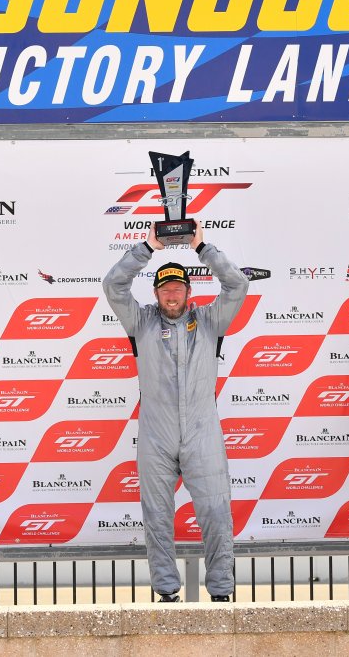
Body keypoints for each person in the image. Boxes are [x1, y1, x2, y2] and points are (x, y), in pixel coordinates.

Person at [103, 220, 249, 602]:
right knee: (156, 517)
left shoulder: (210, 321)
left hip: (203, 433)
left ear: (189, 291)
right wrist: (147, 248)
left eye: (178, 288)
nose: (172, 294)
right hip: (156, 435)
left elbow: (237, 285)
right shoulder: (141, 322)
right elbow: (113, 285)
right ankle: (166, 593)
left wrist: (202, 248)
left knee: (216, 514)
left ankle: (221, 594)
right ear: (155, 293)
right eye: (165, 288)